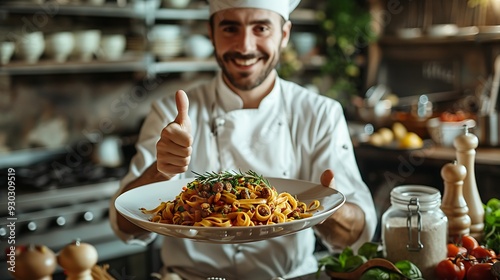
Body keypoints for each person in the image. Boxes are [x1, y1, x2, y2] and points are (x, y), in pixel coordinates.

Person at [110, 0, 377, 279]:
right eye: (229, 28)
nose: (245, 46)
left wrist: (325, 208)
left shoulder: (320, 113)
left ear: (284, 35)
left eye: (261, 28)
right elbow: (123, 224)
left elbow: (357, 234)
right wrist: (160, 172)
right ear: (211, 33)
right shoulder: (171, 112)